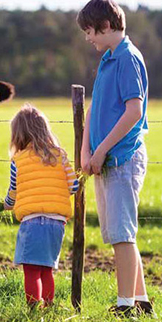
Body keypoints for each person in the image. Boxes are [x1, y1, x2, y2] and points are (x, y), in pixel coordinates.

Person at [77, 0, 155, 318]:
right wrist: (86, 151)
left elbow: (134, 111)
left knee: (123, 234)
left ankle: (125, 307)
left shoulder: (128, 58)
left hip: (122, 157)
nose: (87, 38)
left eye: (89, 31)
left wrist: (102, 150)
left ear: (106, 26)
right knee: (119, 233)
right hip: (105, 159)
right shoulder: (109, 58)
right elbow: (95, 107)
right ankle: (141, 300)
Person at [4, 104, 79, 308]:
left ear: (17, 135)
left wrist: (6, 205)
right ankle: (49, 304)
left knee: (31, 270)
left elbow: (14, 191)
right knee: (46, 269)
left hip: (32, 222)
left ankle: (32, 308)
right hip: (57, 223)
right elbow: (74, 185)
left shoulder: (17, 161)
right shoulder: (60, 155)